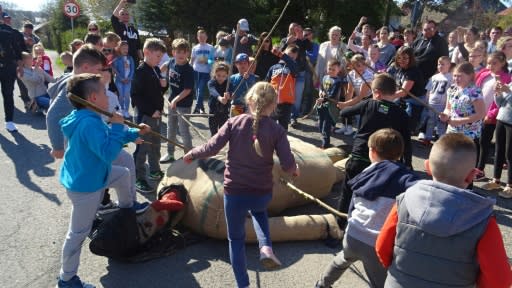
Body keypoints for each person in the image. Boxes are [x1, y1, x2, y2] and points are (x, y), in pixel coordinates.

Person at [182, 82, 299, 288]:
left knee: (235, 241)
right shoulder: (277, 130)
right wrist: (295, 170)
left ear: (249, 101)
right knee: (259, 213)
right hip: (261, 192)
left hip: (234, 192)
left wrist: (192, 153)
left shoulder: (233, 122)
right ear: (274, 105)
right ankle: (265, 247)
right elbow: (288, 164)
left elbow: (211, 147)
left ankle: (243, 284)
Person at [375, 133, 512, 288]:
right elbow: (500, 280)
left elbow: (381, 248)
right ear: (472, 175)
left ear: (427, 167)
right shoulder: (483, 220)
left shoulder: (404, 201)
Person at [56, 73, 150, 288]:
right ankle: (66, 279)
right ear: (92, 98)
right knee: (77, 234)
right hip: (86, 187)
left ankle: (128, 208)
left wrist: (132, 133)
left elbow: (105, 136)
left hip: (94, 174)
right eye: (104, 92)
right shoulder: (88, 123)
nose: (109, 96)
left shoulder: (87, 117)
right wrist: (118, 127)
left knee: (123, 174)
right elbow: (107, 152)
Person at [315, 128, 419, 288]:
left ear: (372, 151)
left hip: (353, 233)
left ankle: (322, 284)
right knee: (380, 281)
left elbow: (352, 204)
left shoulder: (366, 173)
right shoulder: (404, 178)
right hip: (376, 242)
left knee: (342, 260)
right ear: (399, 154)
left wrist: (349, 224)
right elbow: (418, 192)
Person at [46, 44, 144, 213]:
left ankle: (121, 204)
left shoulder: (80, 82)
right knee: (105, 169)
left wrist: (129, 133)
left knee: (123, 162)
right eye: (99, 69)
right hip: (84, 145)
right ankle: (104, 208)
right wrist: (57, 146)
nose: (101, 73)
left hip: (89, 138)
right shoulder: (74, 85)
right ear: (85, 68)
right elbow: (53, 114)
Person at [336, 73, 411, 227]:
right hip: (384, 165)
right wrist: (407, 163)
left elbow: (344, 113)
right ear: (393, 92)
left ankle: (339, 226)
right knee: (375, 196)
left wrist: (346, 104)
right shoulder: (401, 114)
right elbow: (407, 142)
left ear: (376, 92)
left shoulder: (368, 104)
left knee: (348, 192)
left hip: (359, 156)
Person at [131, 38, 168, 193]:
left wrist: (164, 87)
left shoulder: (156, 70)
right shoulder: (141, 72)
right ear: (146, 52)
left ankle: (154, 170)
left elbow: (158, 93)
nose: (160, 59)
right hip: (145, 117)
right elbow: (136, 96)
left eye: (161, 56)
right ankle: (138, 178)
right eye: (157, 56)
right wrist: (150, 111)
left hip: (156, 116)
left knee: (155, 144)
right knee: (142, 148)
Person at [475, 51, 511, 180]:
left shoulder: (506, 77)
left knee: (485, 142)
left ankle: (480, 169)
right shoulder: (484, 74)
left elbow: (502, 99)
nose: (490, 66)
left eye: (494, 63)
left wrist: (491, 114)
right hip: (479, 112)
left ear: (502, 63)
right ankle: (474, 167)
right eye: (489, 63)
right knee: (477, 141)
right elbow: (476, 90)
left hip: (492, 116)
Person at [159, 38, 194, 164]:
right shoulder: (171, 62)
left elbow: (188, 90)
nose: (181, 55)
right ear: (173, 52)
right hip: (171, 102)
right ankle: (170, 153)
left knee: (184, 130)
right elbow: (161, 69)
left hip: (183, 104)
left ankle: (189, 156)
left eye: (184, 52)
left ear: (188, 53)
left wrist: (176, 99)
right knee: (171, 128)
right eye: (178, 52)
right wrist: (158, 76)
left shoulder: (189, 70)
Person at [439, 62, 485, 146]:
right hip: (452, 131)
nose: (456, 78)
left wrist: (459, 121)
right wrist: (445, 115)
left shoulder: (475, 91)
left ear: (470, 76)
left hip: (469, 135)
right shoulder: (452, 89)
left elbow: (481, 114)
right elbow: (448, 108)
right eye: (454, 75)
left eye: (460, 76)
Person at [481, 75, 512, 198]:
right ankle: (496, 180)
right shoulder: (510, 84)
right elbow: (500, 104)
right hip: (501, 119)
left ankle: (510, 185)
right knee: (499, 151)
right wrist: (497, 93)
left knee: (510, 154)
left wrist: (508, 91)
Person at [279, 22, 313, 127]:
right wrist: (286, 43)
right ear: (289, 30)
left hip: (300, 72)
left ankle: (294, 117)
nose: (293, 30)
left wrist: (301, 38)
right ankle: (283, 115)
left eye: (296, 29)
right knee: (284, 95)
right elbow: (279, 53)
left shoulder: (301, 40)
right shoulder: (284, 40)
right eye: (291, 28)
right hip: (286, 72)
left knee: (297, 97)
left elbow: (309, 47)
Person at [336, 54, 374, 136]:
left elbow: (361, 96)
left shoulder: (368, 76)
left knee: (360, 116)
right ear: (352, 66)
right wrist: (346, 105)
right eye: (357, 65)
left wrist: (346, 104)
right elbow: (350, 92)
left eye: (362, 65)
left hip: (368, 98)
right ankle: (347, 126)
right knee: (347, 108)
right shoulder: (351, 74)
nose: (361, 68)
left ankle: (360, 132)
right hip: (357, 96)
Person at [392, 46, 426, 136]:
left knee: (406, 119)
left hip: (414, 101)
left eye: (405, 58)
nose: (401, 60)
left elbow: (403, 92)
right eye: (399, 57)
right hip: (402, 99)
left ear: (410, 58)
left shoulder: (413, 72)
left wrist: (387, 95)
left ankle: (408, 131)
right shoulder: (400, 69)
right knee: (385, 107)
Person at [0, 17, 25, 132]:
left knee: (8, 94)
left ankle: (9, 121)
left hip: (8, 67)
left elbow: (17, 49)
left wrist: (20, 66)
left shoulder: (9, 30)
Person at [421, 56, 452, 145]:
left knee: (441, 123)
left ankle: (441, 141)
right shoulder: (434, 77)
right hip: (432, 103)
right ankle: (428, 138)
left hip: (442, 104)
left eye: (443, 64)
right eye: (439, 64)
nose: (440, 66)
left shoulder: (451, 77)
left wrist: (448, 105)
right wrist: (426, 101)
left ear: (449, 65)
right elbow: (429, 90)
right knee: (430, 121)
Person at [266, 45, 299, 130]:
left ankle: (281, 142)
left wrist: (283, 55)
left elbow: (293, 65)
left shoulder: (293, 68)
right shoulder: (273, 67)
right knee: (270, 124)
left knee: (283, 127)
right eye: (288, 55)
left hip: (286, 103)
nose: (289, 59)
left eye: (292, 58)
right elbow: (266, 82)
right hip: (273, 101)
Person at [316, 60, 342, 148]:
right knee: (320, 123)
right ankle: (324, 139)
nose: (330, 71)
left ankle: (325, 145)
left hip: (331, 107)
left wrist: (323, 98)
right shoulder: (325, 77)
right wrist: (320, 92)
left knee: (326, 126)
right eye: (329, 69)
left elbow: (332, 95)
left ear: (338, 70)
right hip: (322, 105)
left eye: (333, 70)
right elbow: (320, 86)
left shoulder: (337, 81)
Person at [316, 26, 347, 91]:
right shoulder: (323, 45)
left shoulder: (343, 47)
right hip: (323, 74)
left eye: (336, 35)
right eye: (332, 34)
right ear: (329, 35)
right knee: (321, 94)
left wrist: (335, 73)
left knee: (333, 95)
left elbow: (343, 62)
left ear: (340, 36)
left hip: (336, 76)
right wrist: (316, 75)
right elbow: (319, 61)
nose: (334, 36)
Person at [191, 29, 215, 114]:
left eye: (203, 37)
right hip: (196, 71)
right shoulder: (195, 48)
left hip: (206, 72)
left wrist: (206, 61)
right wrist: (190, 69)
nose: (202, 38)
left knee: (200, 90)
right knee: (198, 90)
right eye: (200, 37)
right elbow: (192, 60)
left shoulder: (211, 47)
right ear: (197, 38)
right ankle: (201, 108)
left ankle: (197, 107)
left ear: (206, 37)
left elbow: (213, 61)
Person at [112, 41, 135, 119]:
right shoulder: (117, 59)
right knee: (121, 95)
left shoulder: (130, 58)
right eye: (123, 48)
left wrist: (129, 78)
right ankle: (121, 109)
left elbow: (132, 69)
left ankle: (126, 110)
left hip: (128, 80)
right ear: (119, 49)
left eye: (127, 48)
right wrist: (120, 78)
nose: (126, 50)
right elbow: (115, 69)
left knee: (127, 95)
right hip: (119, 80)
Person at [207, 62, 230, 136]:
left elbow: (232, 93)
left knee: (222, 133)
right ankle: (212, 146)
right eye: (219, 75)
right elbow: (212, 91)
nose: (221, 78)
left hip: (224, 113)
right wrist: (220, 98)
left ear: (227, 75)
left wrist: (229, 96)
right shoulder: (211, 82)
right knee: (213, 133)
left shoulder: (228, 84)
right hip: (213, 112)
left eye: (223, 76)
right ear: (215, 74)